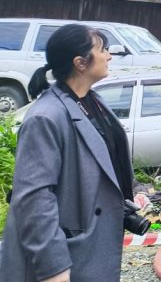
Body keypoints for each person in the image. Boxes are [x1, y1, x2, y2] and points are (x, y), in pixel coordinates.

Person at [2, 24, 141, 282]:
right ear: (80, 62)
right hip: (64, 254)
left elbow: (106, 161)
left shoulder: (93, 101)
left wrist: (130, 193)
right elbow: (33, 199)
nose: (109, 56)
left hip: (89, 245)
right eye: (103, 49)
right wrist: (53, 268)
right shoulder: (46, 117)